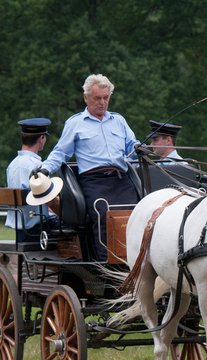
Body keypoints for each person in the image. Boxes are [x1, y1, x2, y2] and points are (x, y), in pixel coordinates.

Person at [39, 74, 140, 260]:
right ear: (86, 98)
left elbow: (133, 147)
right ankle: (106, 266)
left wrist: (141, 150)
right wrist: (44, 169)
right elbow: (60, 153)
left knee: (136, 213)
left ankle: (135, 262)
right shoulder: (75, 123)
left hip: (121, 179)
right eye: (97, 98)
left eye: (106, 98)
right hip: (94, 182)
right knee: (103, 213)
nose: (102, 102)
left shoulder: (119, 121)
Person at [6, 118, 60, 242]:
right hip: (38, 229)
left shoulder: (12, 165)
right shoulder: (38, 167)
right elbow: (51, 202)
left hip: (20, 229)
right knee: (78, 227)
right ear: (41, 138)